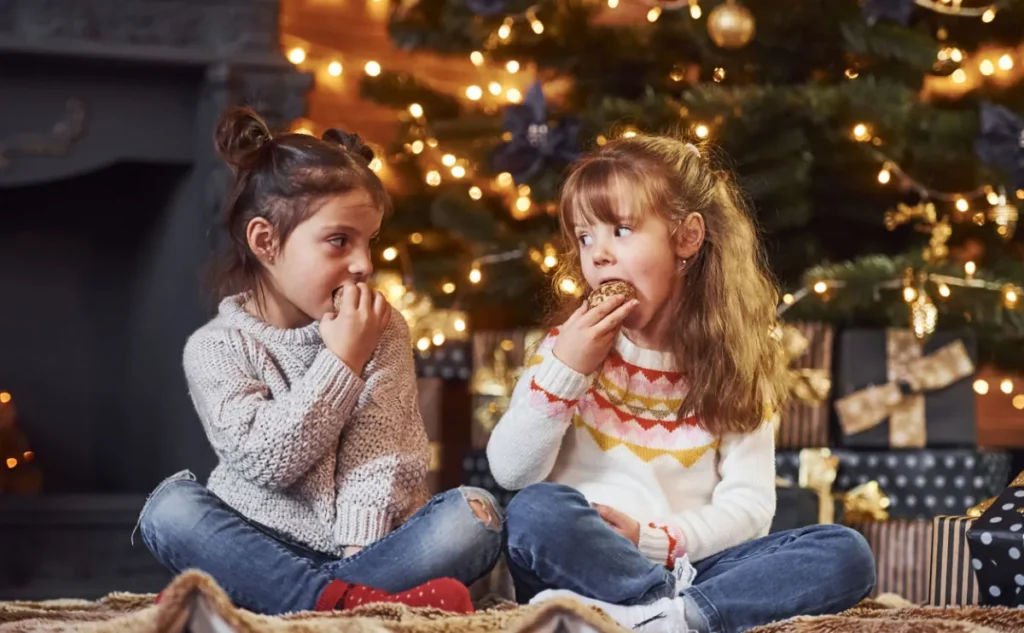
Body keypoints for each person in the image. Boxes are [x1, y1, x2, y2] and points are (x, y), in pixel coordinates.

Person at [487, 135, 875, 633]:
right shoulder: (566, 350)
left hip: (685, 570)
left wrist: (654, 541)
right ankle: (673, 616)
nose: (598, 255)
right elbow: (511, 472)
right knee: (536, 510)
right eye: (585, 237)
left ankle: (660, 618)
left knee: (845, 552)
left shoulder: (730, 364)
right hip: (579, 565)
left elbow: (750, 507)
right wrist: (566, 371)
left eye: (621, 230)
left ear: (687, 238)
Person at [136, 107, 501, 616]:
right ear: (266, 241)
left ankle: (269, 600)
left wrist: (362, 551)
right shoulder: (214, 347)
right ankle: (350, 607)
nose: (364, 265)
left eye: (368, 242)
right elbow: (267, 460)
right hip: (257, 540)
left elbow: (382, 452)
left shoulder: (383, 326)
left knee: (474, 517)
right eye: (339, 241)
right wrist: (341, 361)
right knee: (169, 511)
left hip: (370, 548)